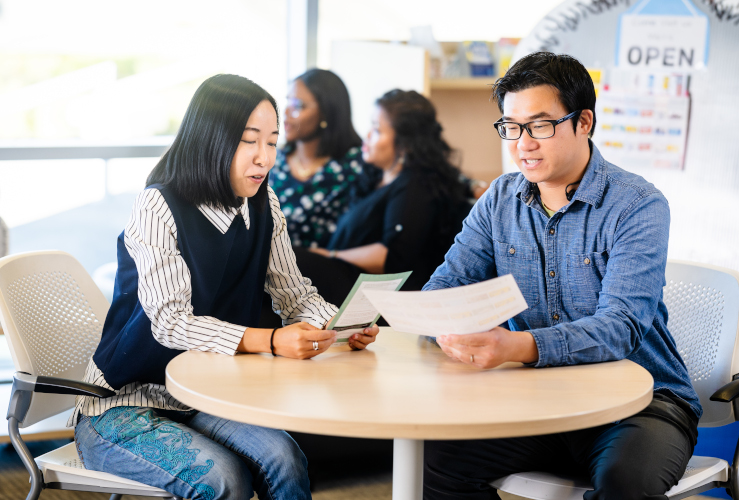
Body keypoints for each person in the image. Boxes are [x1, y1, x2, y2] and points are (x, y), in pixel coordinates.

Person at [68, 74, 379, 500]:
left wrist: (340, 324)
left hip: (207, 395)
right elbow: (170, 323)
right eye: (250, 141)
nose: (265, 158)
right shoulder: (158, 205)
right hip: (128, 403)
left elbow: (295, 295)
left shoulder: (263, 202)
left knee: (285, 460)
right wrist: (270, 340)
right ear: (211, 139)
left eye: (272, 142)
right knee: (224, 480)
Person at [422, 52, 701, 499]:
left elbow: (621, 326)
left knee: (624, 482)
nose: (523, 143)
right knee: (435, 462)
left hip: (639, 405)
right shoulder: (500, 198)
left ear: (584, 121)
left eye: (540, 125)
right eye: (511, 127)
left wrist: (516, 345)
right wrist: (442, 324)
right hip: (537, 399)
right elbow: (445, 285)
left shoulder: (637, 205)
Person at [294, 89, 470, 307]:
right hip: (352, 282)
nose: (367, 135)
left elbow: (392, 256)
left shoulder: (414, 186)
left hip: (378, 297)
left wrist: (331, 255)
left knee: (292, 259)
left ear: (405, 143)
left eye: (377, 130)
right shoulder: (375, 176)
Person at [269, 68, 366, 249]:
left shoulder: (355, 166)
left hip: (328, 272)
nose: (286, 113)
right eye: (287, 102)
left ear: (326, 113)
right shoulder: (274, 160)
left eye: (298, 105)